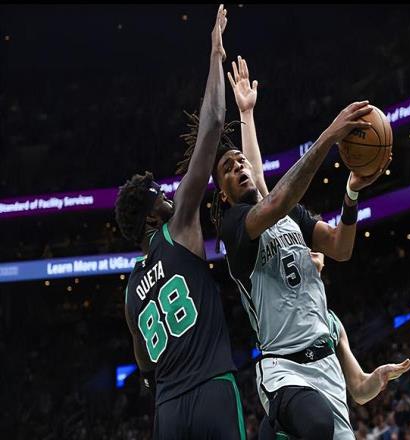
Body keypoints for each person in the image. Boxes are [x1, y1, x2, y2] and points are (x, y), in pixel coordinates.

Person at [209, 48, 392, 438]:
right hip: (284, 368)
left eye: (240, 161)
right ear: (223, 193)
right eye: (228, 168)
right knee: (316, 424)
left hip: (327, 367)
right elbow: (273, 198)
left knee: (324, 426)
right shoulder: (235, 227)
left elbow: (340, 247)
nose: (239, 166)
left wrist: (351, 195)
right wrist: (328, 137)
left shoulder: (290, 216)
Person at [114, 6, 246, 439]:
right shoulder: (180, 226)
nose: (168, 195)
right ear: (152, 215)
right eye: (160, 195)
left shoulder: (131, 292)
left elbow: (144, 363)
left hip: (168, 411)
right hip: (211, 388)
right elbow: (213, 123)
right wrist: (215, 54)